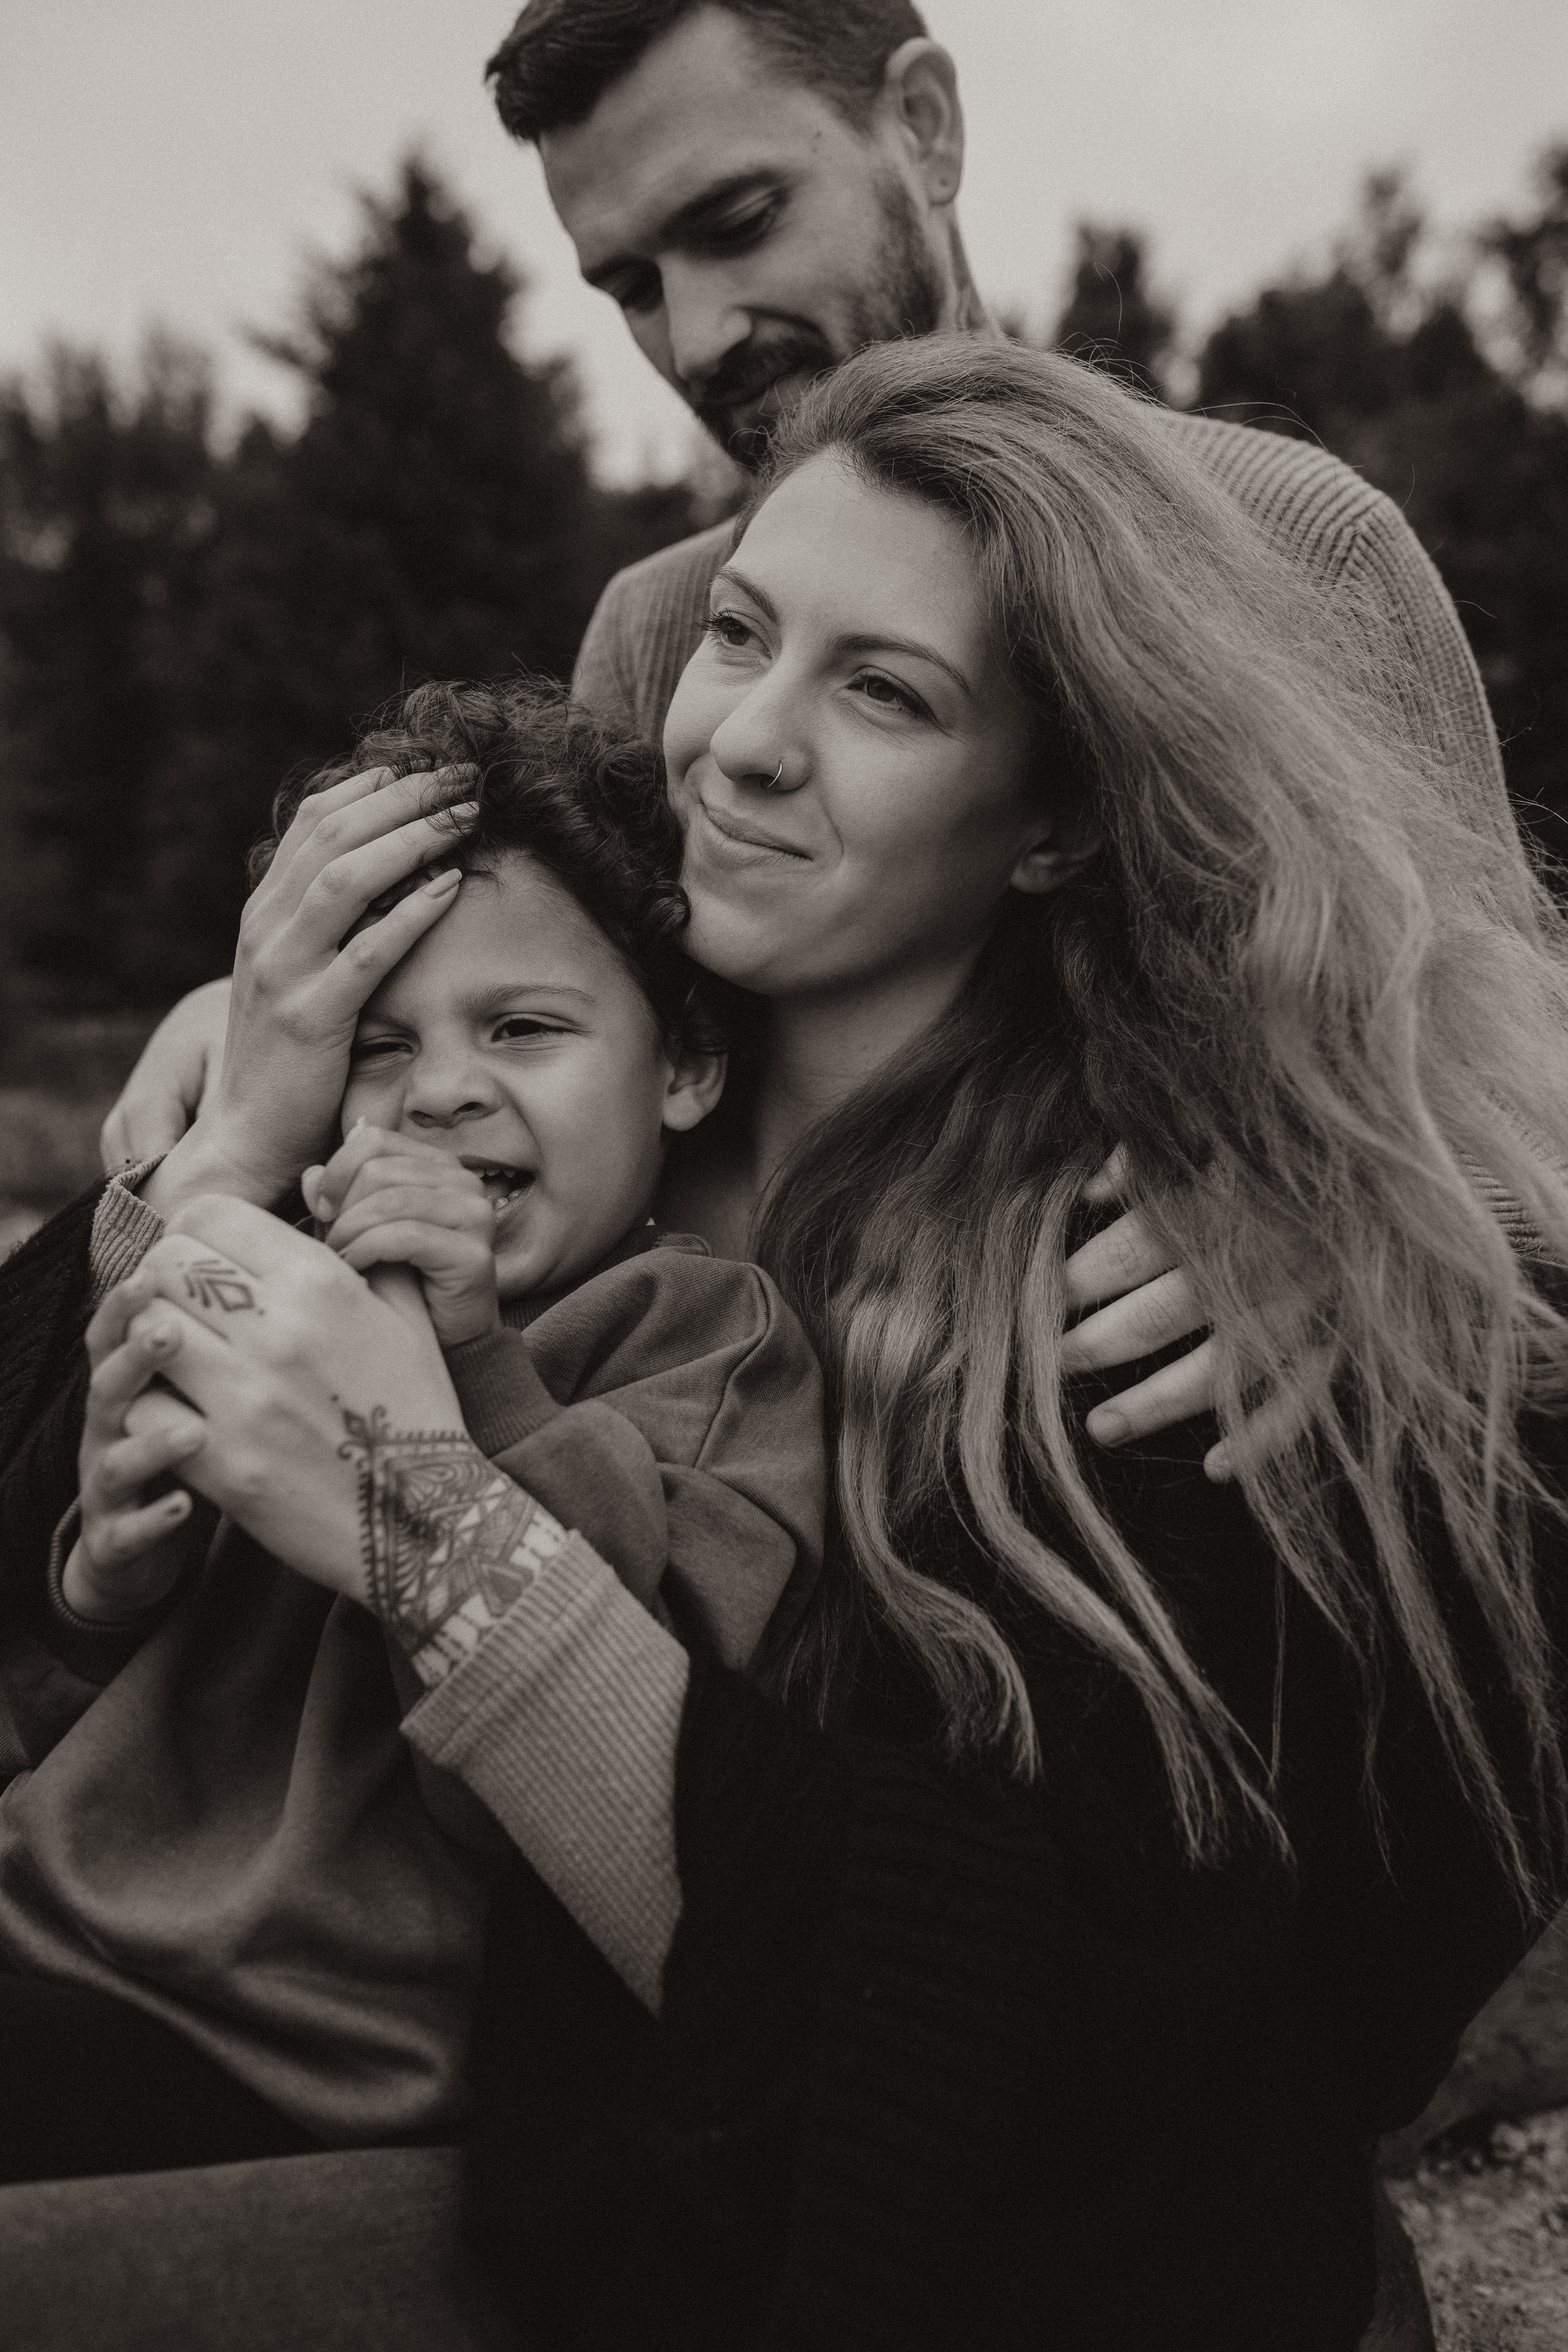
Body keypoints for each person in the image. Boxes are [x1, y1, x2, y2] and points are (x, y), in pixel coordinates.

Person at [13, 337, 1565, 2351]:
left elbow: (1079, 2059)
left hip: (626, 2191)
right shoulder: (513, 1099)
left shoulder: (1148, 1302)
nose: (738, 739)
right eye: (740, 630)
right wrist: (238, 1114)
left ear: (1058, 822)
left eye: (886, 693)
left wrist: (420, 1517)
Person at [98, 0, 1507, 1458]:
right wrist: (278, 1028)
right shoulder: (651, 625)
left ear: (924, 128)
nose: (696, 334)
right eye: (631, 285)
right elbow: (568, 1022)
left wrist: (1343, 1196)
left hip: (1079, 1433)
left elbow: (1499, 1071)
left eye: (740, 219)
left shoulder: (1293, 544)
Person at [0, 679, 823, 2182]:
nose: (443, 1089)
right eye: (381, 1045)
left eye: (522, 1027)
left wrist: (468, 1367)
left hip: (296, 2061)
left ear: (688, 1066)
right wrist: (99, 1582)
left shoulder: (707, 1347)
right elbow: (69, 1692)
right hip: (50, 1930)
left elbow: (603, 1790)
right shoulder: (284, 1269)